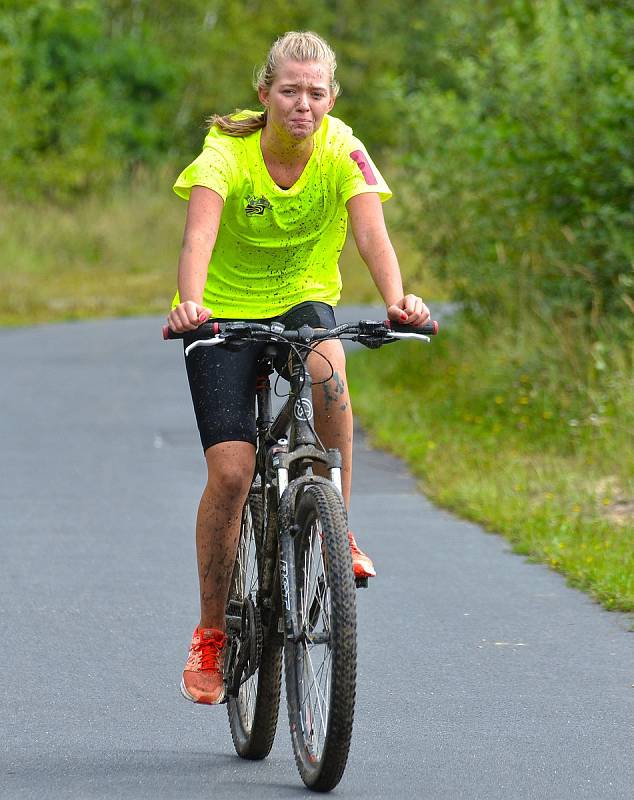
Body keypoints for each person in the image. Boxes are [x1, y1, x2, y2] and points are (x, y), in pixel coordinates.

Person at [167, 31, 430, 705]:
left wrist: (399, 300)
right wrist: (192, 303)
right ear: (266, 93)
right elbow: (199, 232)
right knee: (232, 471)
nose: (302, 104)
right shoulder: (226, 153)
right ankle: (210, 635)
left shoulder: (344, 149)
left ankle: (336, 526)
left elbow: (372, 231)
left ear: (332, 97)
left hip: (301, 300)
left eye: (316, 93)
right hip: (221, 313)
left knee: (328, 372)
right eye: (289, 91)